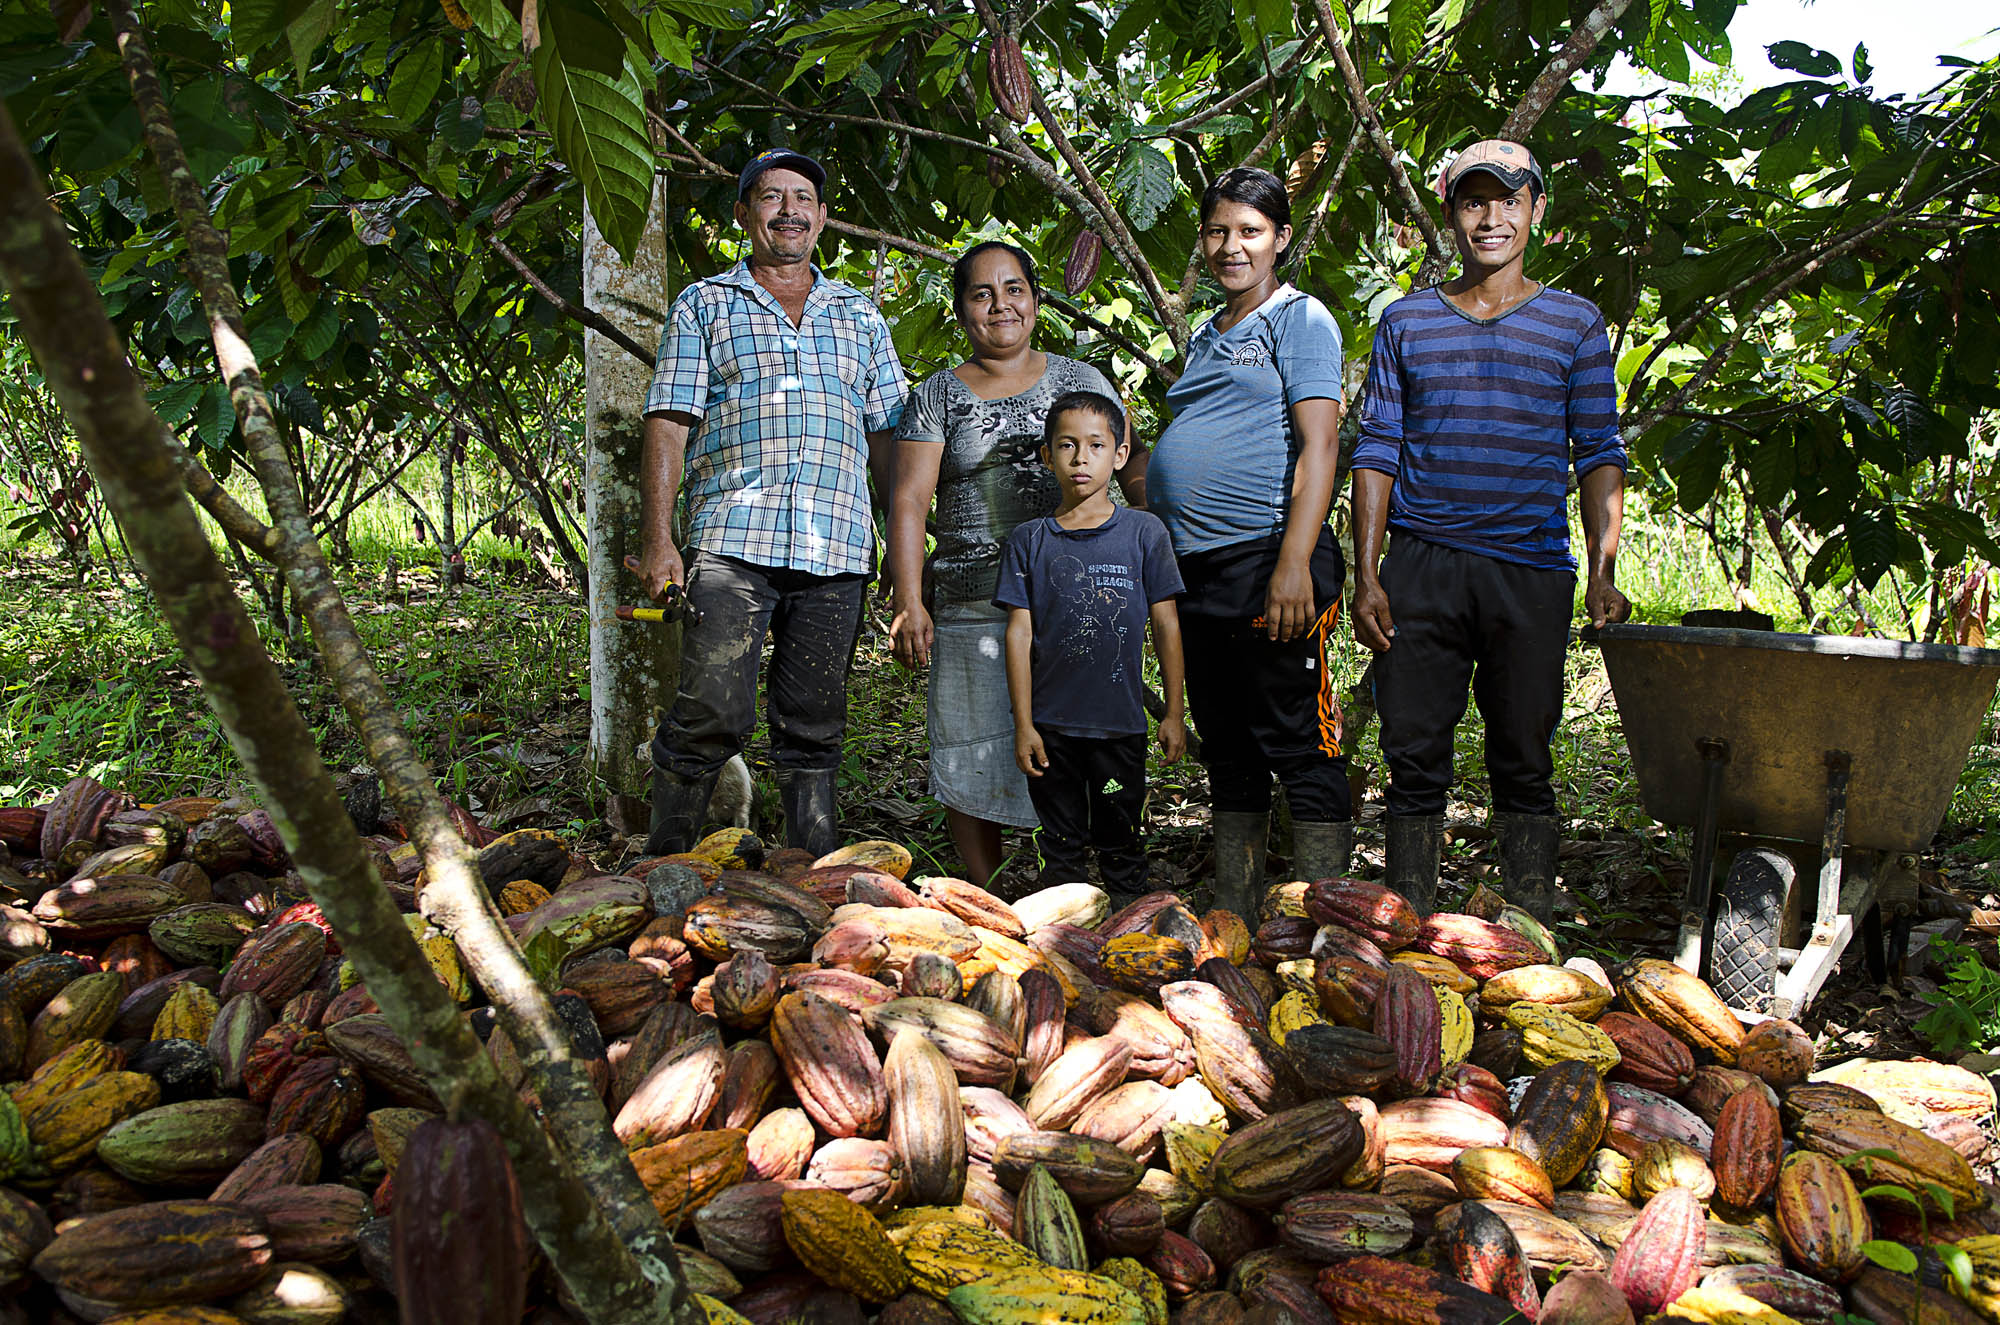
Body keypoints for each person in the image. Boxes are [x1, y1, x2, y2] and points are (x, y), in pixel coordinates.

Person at [1350, 139, 1630, 922]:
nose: (1492, 217)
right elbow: (1377, 449)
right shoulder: (1406, 323)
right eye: (1475, 201)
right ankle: (1404, 929)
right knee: (1414, 756)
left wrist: (1603, 566)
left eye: (1510, 200)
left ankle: (1528, 936)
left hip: (1529, 569)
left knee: (1523, 756)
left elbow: (1599, 448)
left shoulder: (1574, 322)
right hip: (1423, 566)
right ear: (1451, 215)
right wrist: (1368, 572)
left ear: (1537, 212)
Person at [637, 147, 908, 857]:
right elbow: (669, 420)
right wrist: (661, 540)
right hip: (732, 537)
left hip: (837, 544)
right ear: (744, 213)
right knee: (711, 709)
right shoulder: (705, 303)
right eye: (770, 197)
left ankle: (808, 875)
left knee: (815, 721)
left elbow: (887, 440)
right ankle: (666, 864)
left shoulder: (860, 315)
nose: (789, 210)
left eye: (802, 198)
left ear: (821, 217)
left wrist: (901, 554)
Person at [887, 241, 1147, 890]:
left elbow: (1134, 470)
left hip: (1081, 606)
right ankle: (990, 889)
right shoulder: (936, 396)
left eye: (1014, 289)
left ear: (1035, 299)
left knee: (1085, 747)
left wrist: (1155, 548)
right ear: (960, 311)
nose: (1000, 304)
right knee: (972, 746)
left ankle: (1085, 883)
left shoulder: (1083, 381)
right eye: (981, 293)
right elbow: (910, 499)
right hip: (974, 601)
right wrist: (910, 600)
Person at [1146, 166, 1351, 922]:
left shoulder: (1300, 320)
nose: (1232, 246)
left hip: (1268, 557)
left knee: (1298, 738)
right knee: (1228, 740)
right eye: (1219, 231)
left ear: (1281, 240)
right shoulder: (1209, 331)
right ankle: (1238, 908)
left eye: (1250, 231)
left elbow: (1319, 445)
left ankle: (1326, 916)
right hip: (1198, 570)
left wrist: (1294, 561)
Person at [994, 391, 1185, 901]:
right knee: (1061, 847)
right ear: (1046, 455)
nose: (1081, 459)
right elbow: (1019, 632)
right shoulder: (1030, 540)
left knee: (1121, 840)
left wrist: (1173, 712)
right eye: (1067, 446)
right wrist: (1024, 723)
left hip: (1118, 729)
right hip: (1052, 730)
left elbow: (1166, 625)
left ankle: (1129, 935)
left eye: (1096, 445)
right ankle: (1064, 950)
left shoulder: (1145, 533)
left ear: (1119, 455)